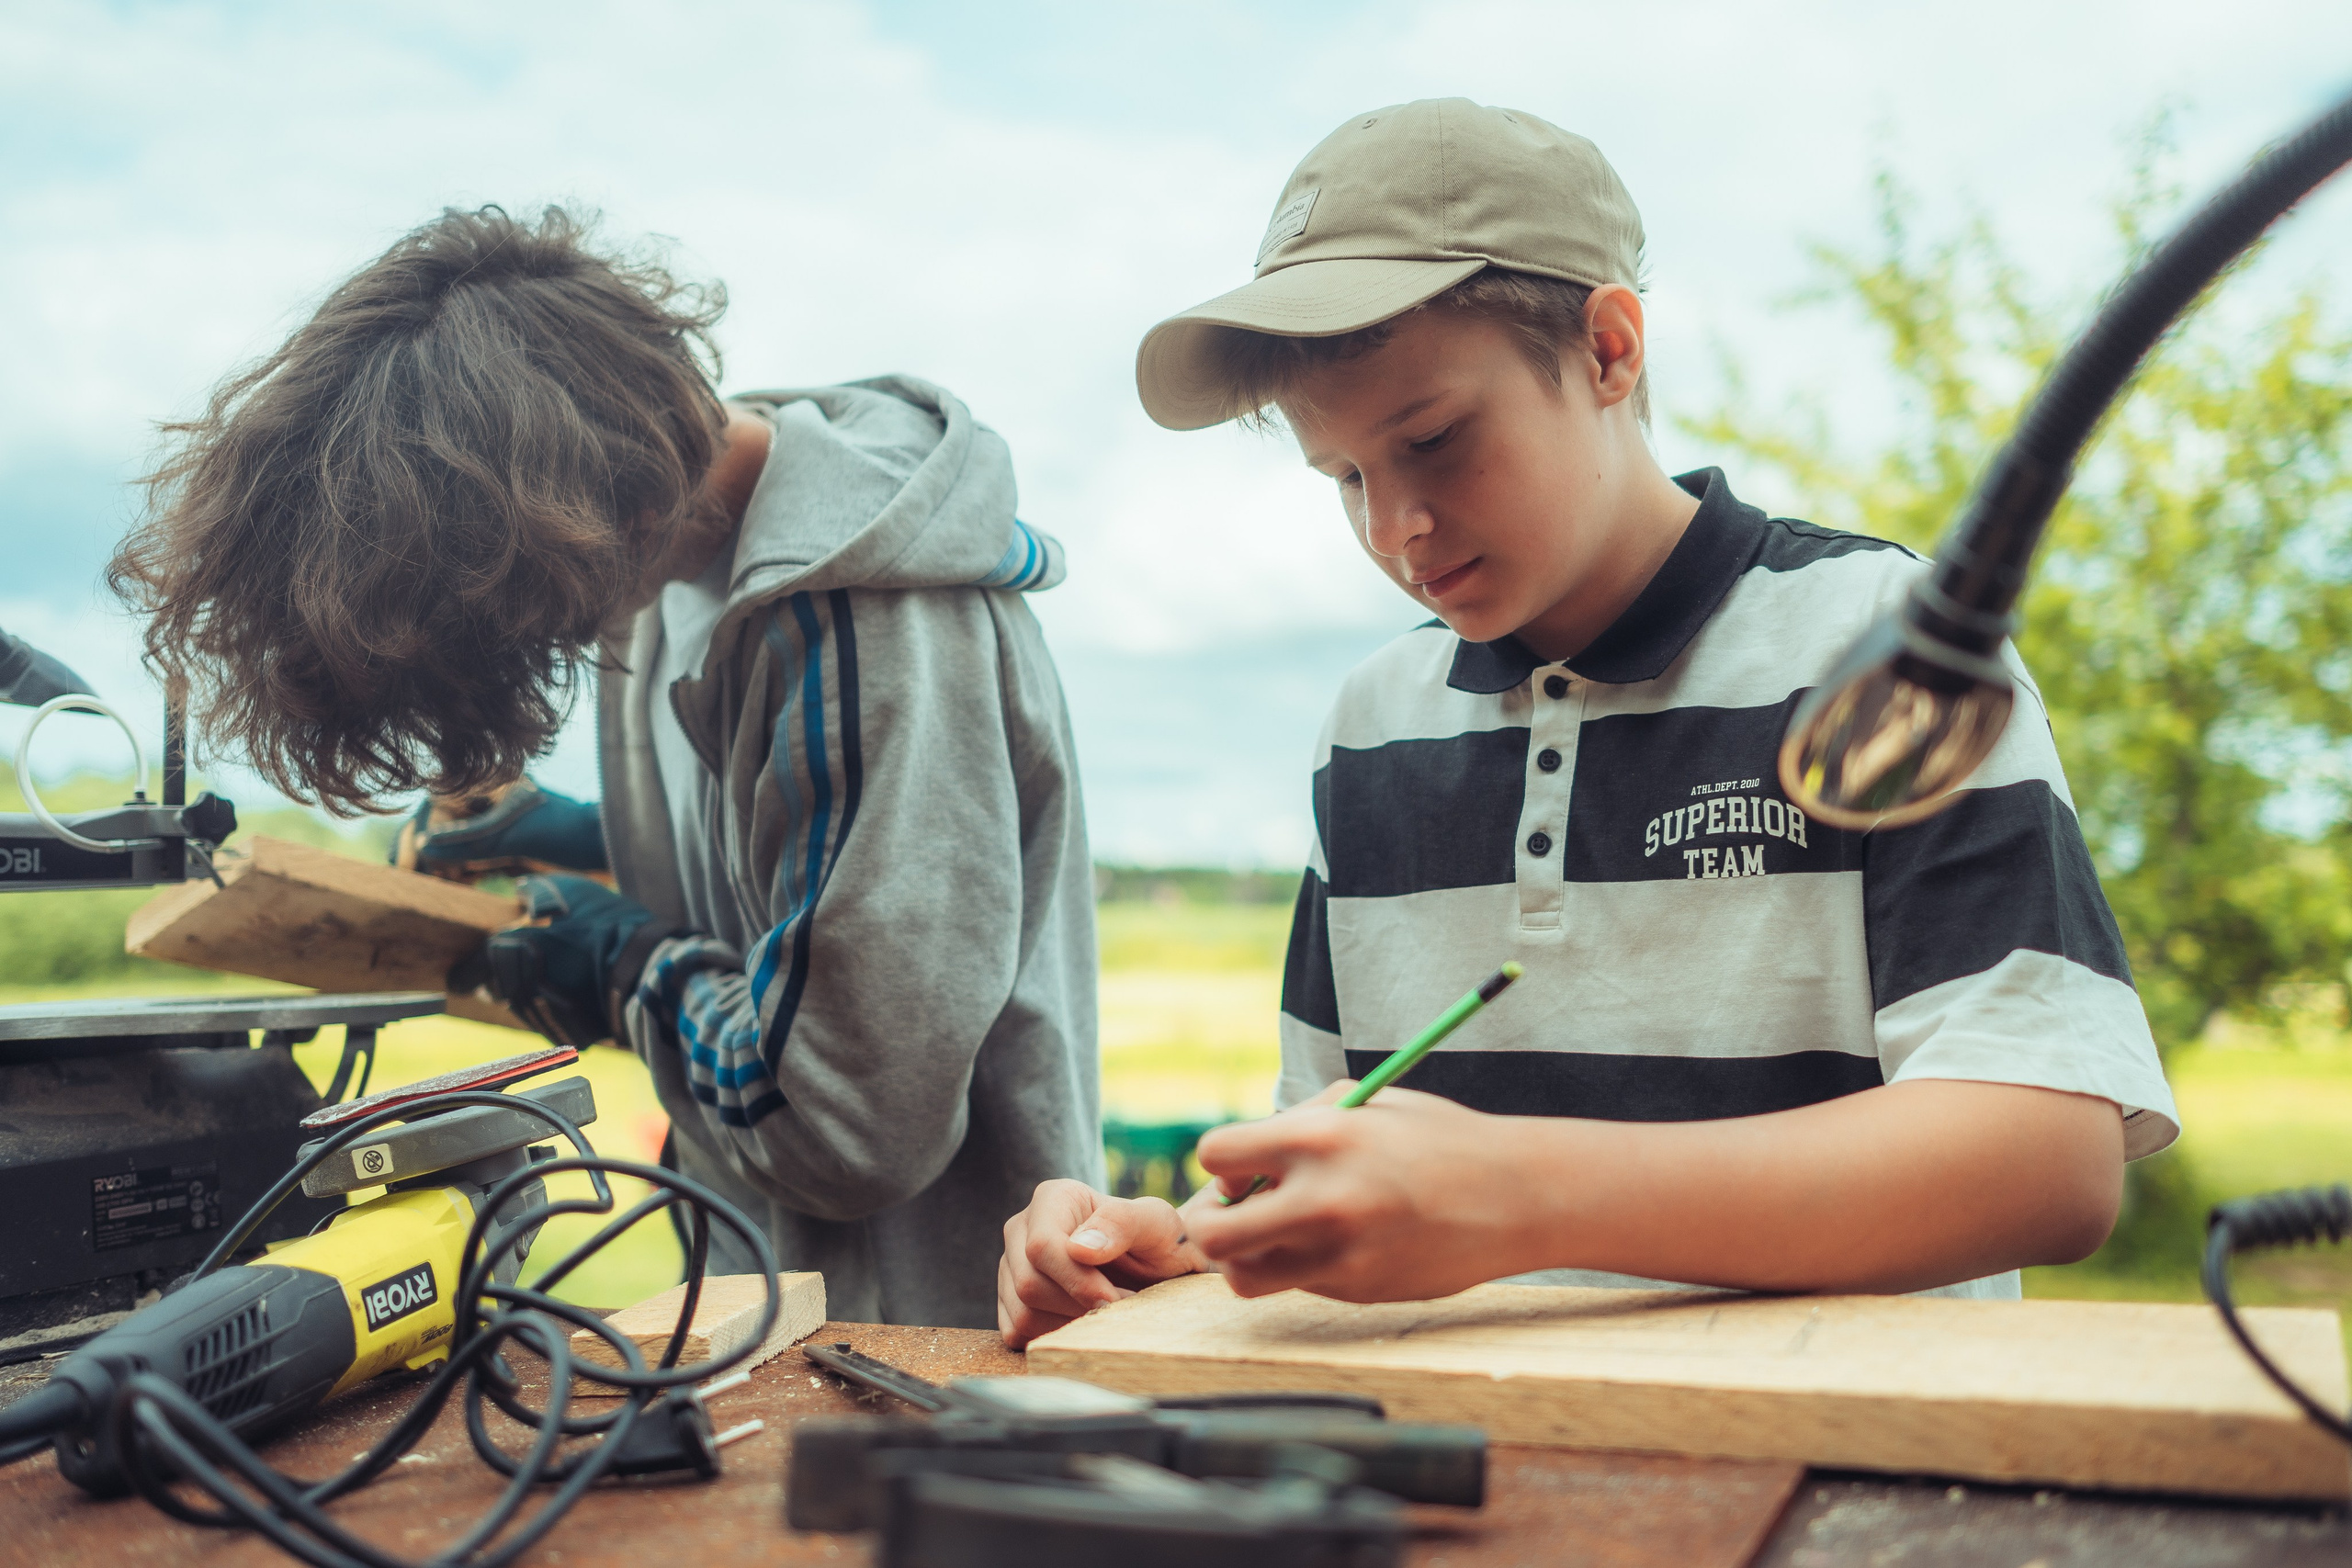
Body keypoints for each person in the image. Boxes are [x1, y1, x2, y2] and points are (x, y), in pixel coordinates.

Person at [997, 98, 2177, 1348]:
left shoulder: (1880, 646)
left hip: (1847, 1467)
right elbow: (1332, 1149)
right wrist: (1188, 1242)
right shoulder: (1374, 725)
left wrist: (1522, 1196)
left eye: (1435, 439)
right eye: (1344, 476)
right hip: (1475, 1470)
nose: (1394, 525)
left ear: (1611, 350)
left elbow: (2045, 1154)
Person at [109, 206, 1102, 1328]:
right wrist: (576, 833)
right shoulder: (674, 556)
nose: (546, 639)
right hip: (776, 1299)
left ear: (593, 513)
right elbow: (786, 875)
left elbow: (844, 1123)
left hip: (929, 1338)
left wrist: (620, 964)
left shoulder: (846, 624)